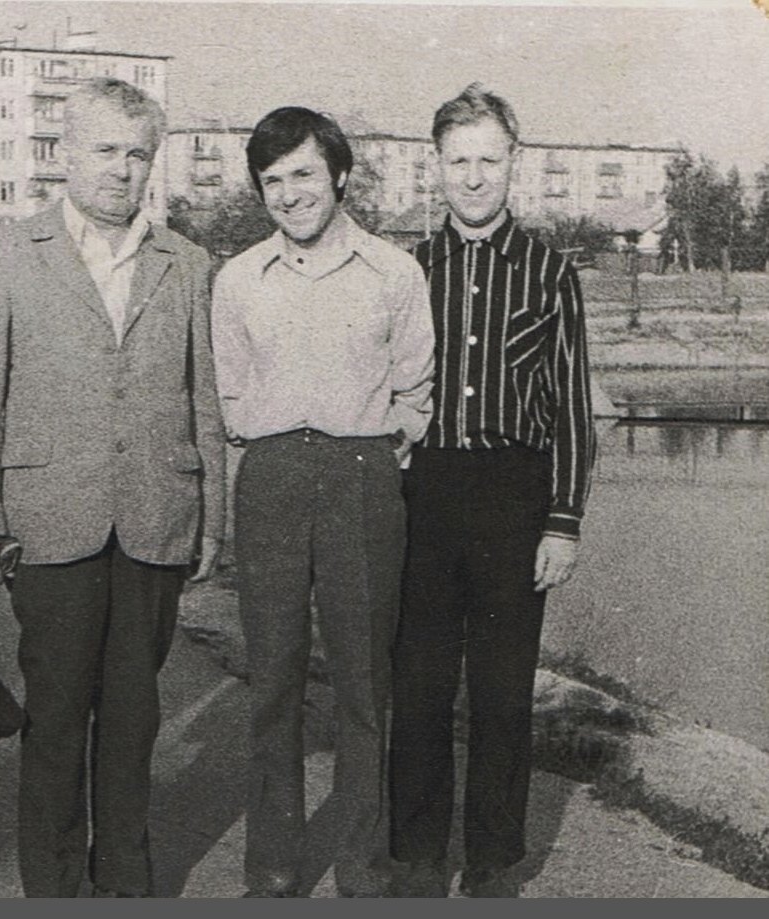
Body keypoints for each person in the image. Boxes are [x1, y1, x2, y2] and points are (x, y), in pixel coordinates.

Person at [0, 77, 224, 898]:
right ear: (65, 153)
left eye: (137, 153)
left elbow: (203, 397)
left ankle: (126, 885)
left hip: (154, 515)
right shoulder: (6, 254)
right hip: (48, 520)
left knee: (134, 718)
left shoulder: (187, 263)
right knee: (56, 718)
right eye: (104, 149)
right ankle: (54, 886)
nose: (120, 169)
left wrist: (210, 516)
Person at [210, 107, 436, 897]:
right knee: (271, 679)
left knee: (363, 683)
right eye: (271, 180)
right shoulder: (238, 278)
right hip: (270, 475)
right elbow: (229, 390)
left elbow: (415, 387)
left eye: (303, 173)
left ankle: (363, 868)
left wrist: (374, 449)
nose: (289, 194)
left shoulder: (393, 272)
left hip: (360, 476)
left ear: (339, 175)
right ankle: (271, 866)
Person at [388, 84, 596, 898]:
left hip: (513, 494)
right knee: (420, 683)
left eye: (487, 160)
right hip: (426, 492)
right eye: (457, 161)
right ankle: (416, 854)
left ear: (514, 163)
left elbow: (571, 404)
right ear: (434, 167)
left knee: (503, 691)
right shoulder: (408, 269)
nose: (472, 178)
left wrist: (562, 520)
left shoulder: (549, 271)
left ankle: (490, 860)